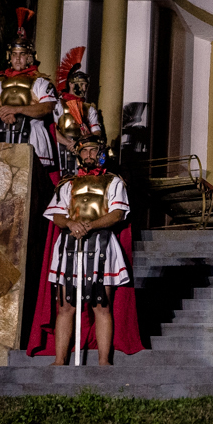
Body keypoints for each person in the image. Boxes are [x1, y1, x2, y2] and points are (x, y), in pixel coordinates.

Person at [44, 135, 131, 366]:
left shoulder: (114, 182)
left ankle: (104, 362)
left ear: (101, 153)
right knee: (66, 305)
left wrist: (90, 225)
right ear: (78, 154)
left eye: (93, 150)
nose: (89, 155)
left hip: (102, 245)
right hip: (69, 245)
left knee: (101, 304)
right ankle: (60, 360)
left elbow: (117, 213)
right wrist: (72, 224)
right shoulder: (67, 184)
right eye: (85, 151)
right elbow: (58, 215)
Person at [0, 8, 58, 176]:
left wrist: (17, 110)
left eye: (22, 54)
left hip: (32, 136)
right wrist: (2, 112)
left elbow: (46, 107)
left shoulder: (41, 82)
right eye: (14, 54)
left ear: (29, 57)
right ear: (9, 56)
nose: (18, 59)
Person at [52, 46, 103, 178]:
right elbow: (52, 128)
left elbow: (96, 130)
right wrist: (67, 143)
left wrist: (87, 141)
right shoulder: (58, 104)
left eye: (86, 85)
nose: (84, 88)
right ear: (70, 84)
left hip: (83, 149)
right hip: (61, 147)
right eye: (81, 84)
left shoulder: (89, 108)